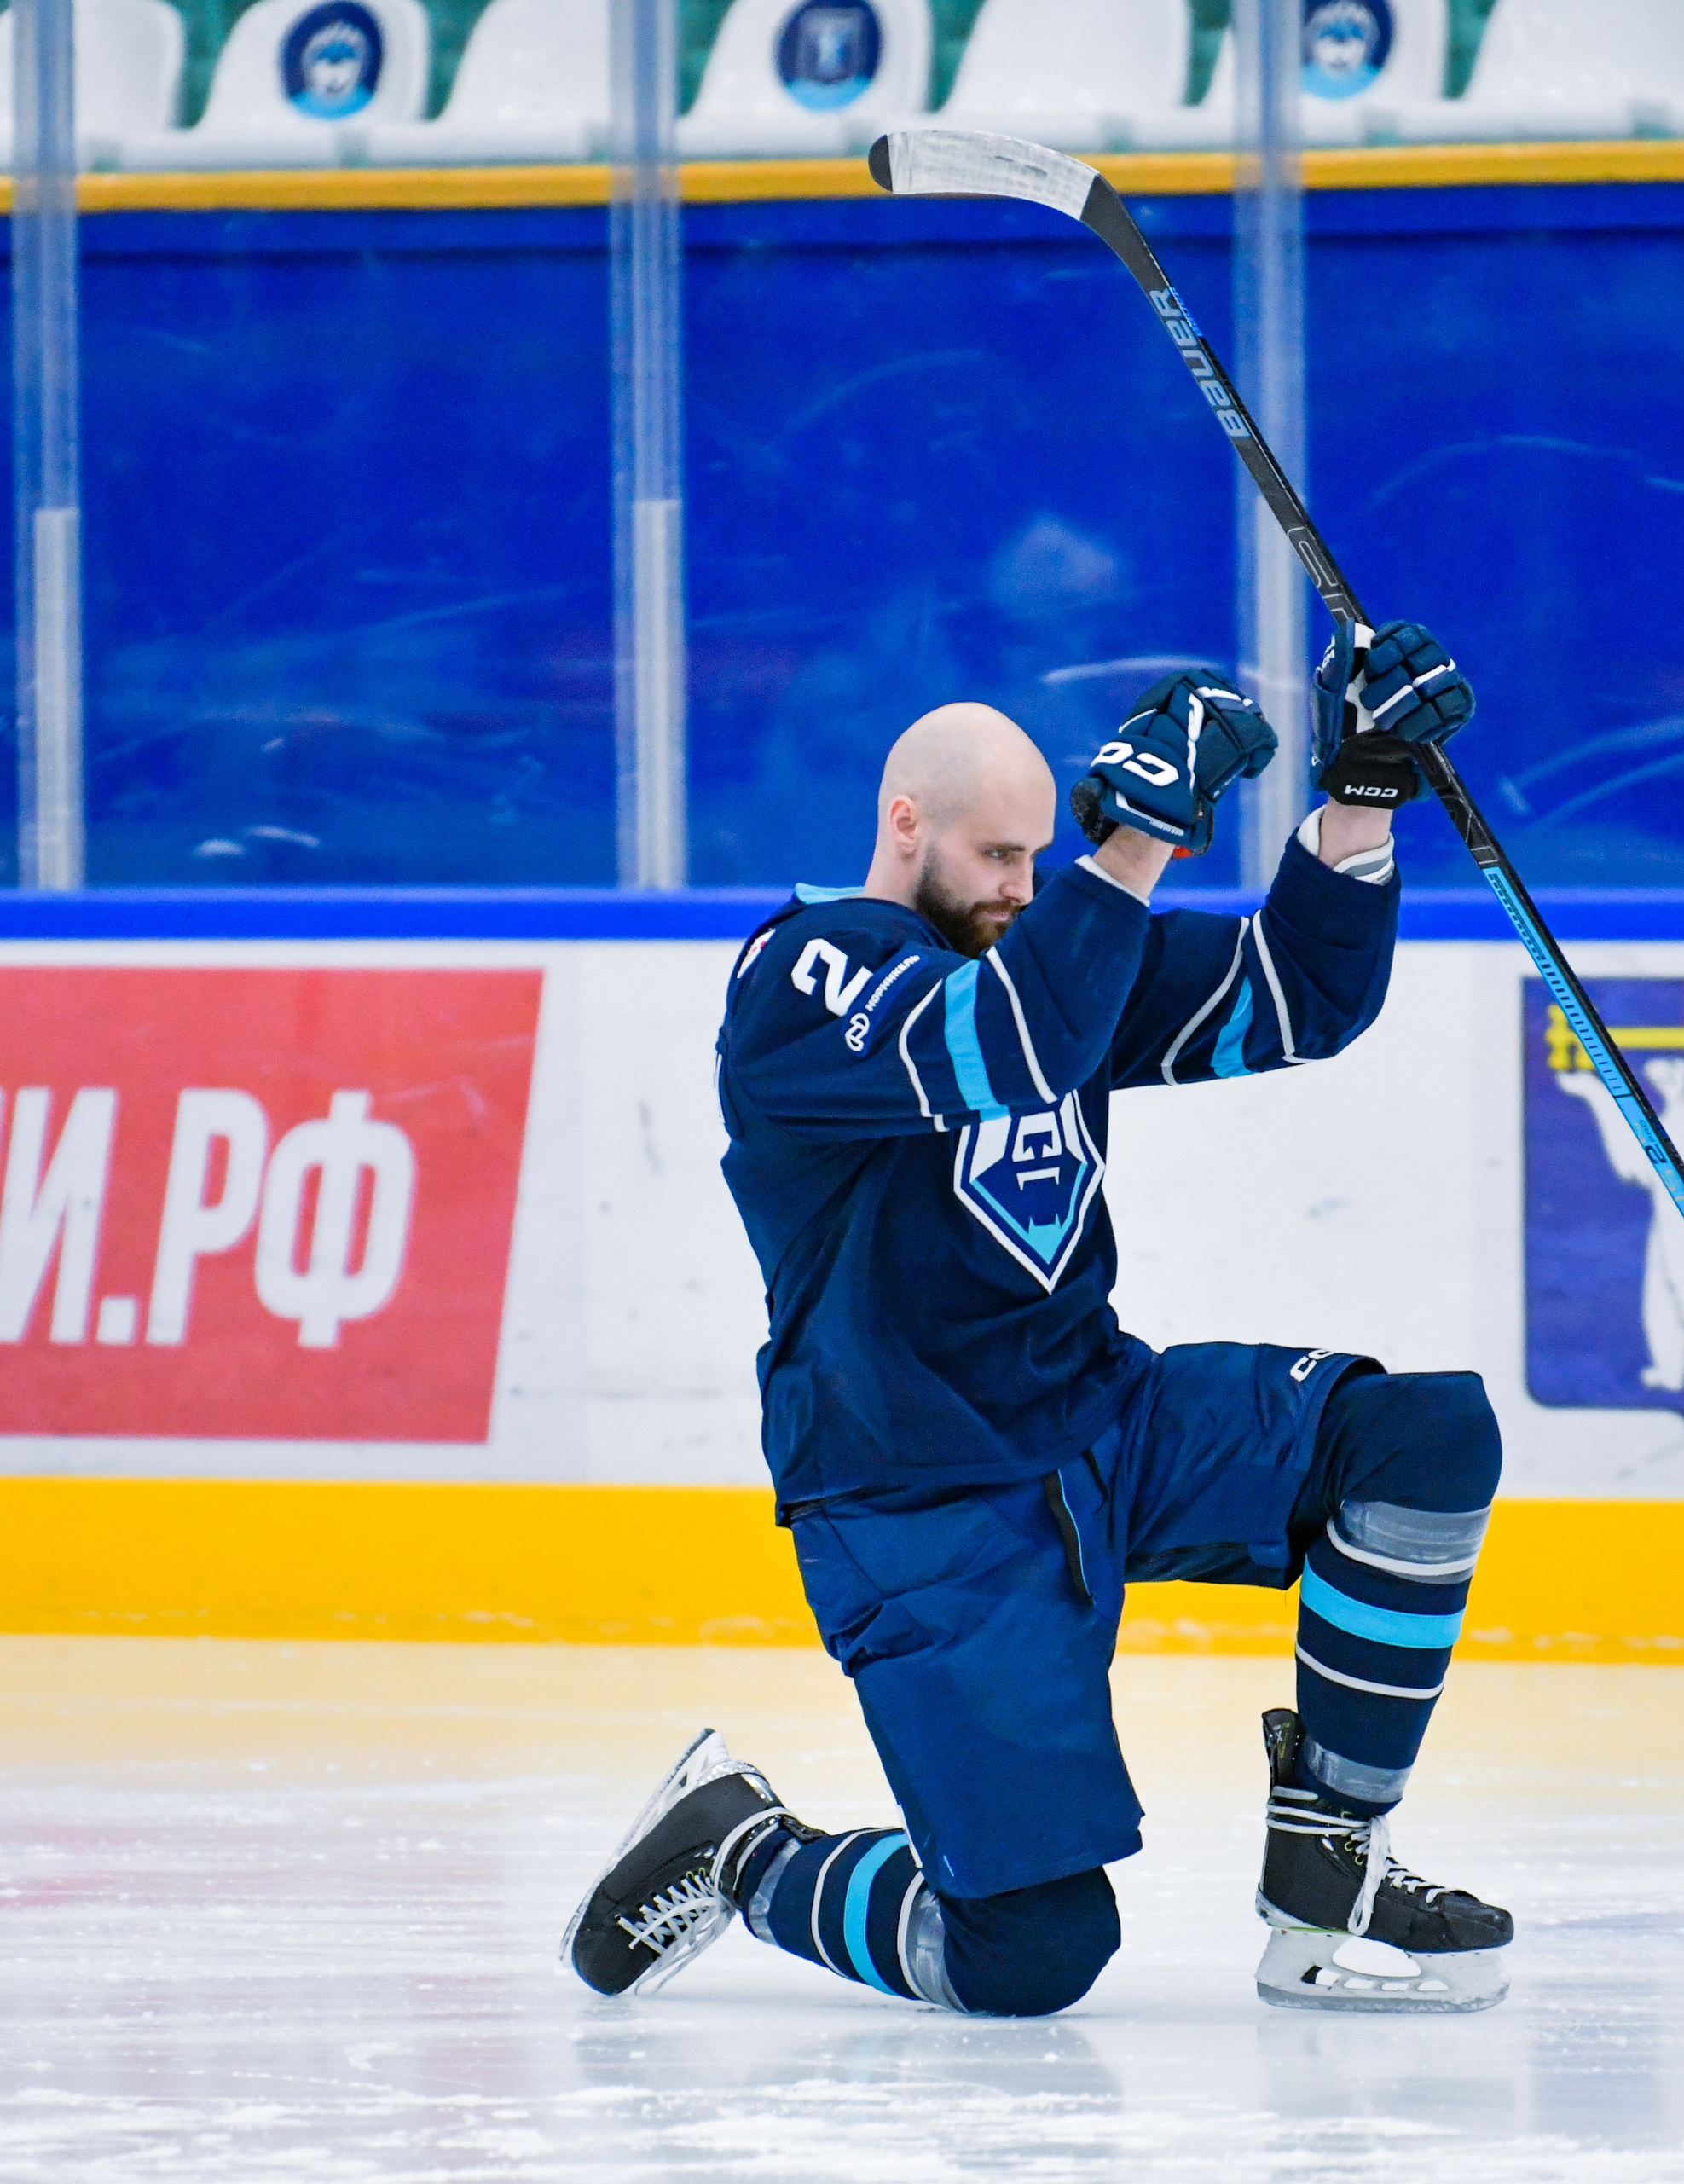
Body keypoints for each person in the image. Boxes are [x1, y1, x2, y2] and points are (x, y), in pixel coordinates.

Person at [562, 622, 1517, 2019]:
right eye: (1000, 859)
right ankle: (743, 1852)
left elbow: (1304, 999)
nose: (1024, 886)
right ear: (907, 826)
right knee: (1028, 1953)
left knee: (1420, 1437)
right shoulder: (805, 975)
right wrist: (1124, 851)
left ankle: (1332, 1872)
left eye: (1036, 858)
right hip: (923, 1503)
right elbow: (1004, 1041)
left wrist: (1357, 800)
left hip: (1100, 1420)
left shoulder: (1044, 949)